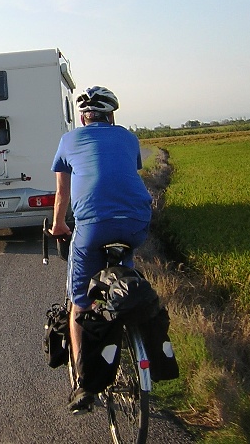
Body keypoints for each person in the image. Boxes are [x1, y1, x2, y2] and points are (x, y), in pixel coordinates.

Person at [49, 85, 153, 413]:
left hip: (93, 226)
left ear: (82, 117)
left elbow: (62, 195)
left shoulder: (68, 141)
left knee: (79, 304)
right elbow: (121, 178)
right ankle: (121, 311)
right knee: (124, 269)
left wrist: (59, 226)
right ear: (111, 115)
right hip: (137, 222)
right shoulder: (127, 137)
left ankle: (83, 384)